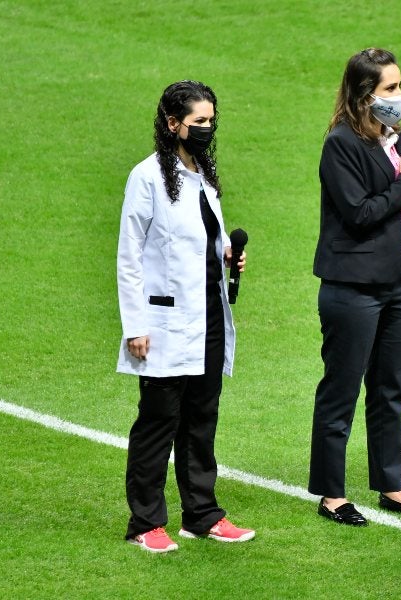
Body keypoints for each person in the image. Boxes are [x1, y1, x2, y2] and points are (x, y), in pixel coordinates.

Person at [116, 80, 255, 552]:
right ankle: (146, 522)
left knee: (201, 419)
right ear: (173, 124)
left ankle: (201, 514)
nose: (206, 128)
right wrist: (135, 325)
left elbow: (198, 242)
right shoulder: (147, 176)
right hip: (164, 323)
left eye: (211, 121)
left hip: (209, 315)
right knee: (159, 422)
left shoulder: (203, 174)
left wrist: (227, 254)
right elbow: (129, 256)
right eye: (198, 122)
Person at [309, 48, 401, 526]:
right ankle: (332, 494)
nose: (399, 96)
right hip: (354, 287)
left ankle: (392, 485)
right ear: (365, 94)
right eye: (390, 88)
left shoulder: (395, 136)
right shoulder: (340, 145)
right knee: (340, 390)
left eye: (400, 86)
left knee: (389, 389)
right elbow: (360, 214)